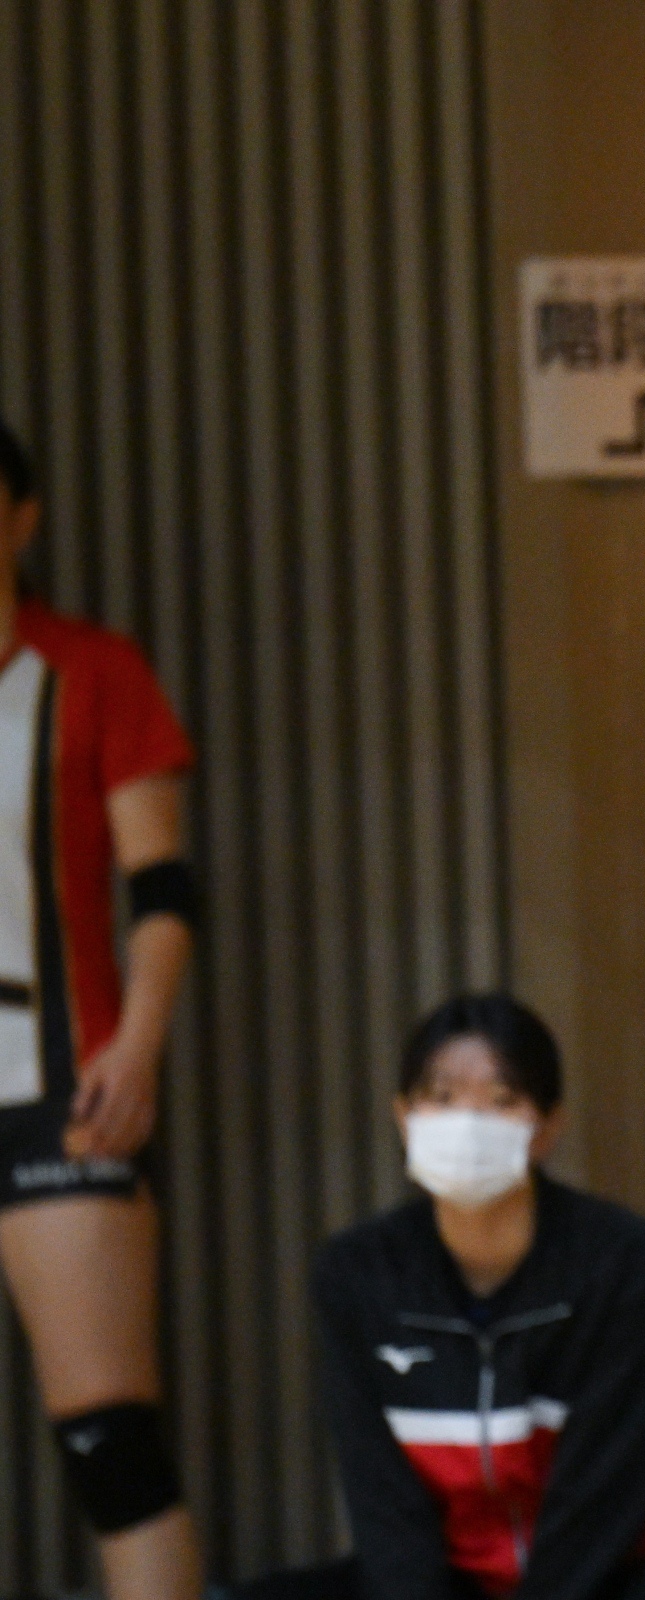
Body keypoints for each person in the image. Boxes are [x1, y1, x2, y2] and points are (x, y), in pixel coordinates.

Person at [249, 994, 645, 1600]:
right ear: (403, 1117)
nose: (467, 1123)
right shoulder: (357, 1275)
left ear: (547, 1127)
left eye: (501, 1101)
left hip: (626, 1569)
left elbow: (603, 1500)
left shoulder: (632, 1267)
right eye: (442, 1098)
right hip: (460, 1576)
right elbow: (383, 1505)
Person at [0, 422, 203, 1598]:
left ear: (22, 518)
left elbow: (164, 890)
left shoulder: (92, 670)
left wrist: (137, 1046)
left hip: (59, 1092)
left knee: (108, 1441)